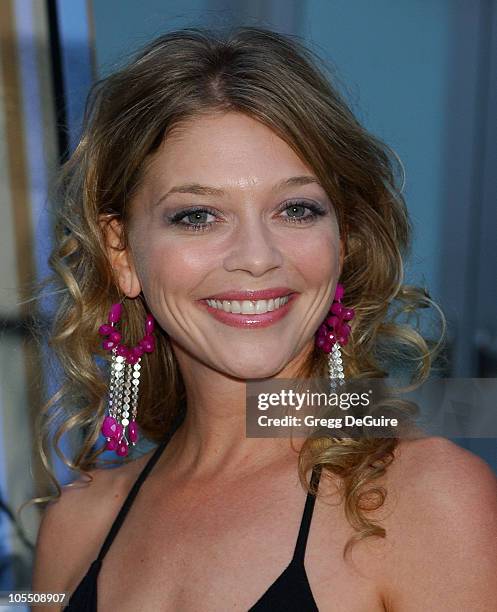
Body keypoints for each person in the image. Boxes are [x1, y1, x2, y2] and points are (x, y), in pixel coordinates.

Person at [30, 26, 497, 611]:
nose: (256, 257)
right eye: (198, 216)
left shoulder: (429, 501)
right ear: (121, 252)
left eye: (296, 209)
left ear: (344, 237)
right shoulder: (76, 526)